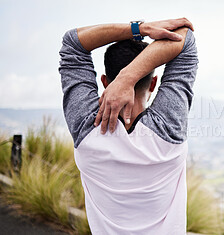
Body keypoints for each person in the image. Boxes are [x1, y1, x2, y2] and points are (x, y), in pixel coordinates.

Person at [58, 18, 198, 234]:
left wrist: (138, 29)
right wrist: (129, 78)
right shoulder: (168, 129)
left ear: (105, 82)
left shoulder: (86, 129)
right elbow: (185, 37)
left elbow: (73, 43)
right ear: (153, 83)